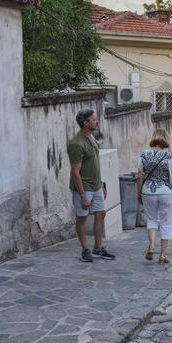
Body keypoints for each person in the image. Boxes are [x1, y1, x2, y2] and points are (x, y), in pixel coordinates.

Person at [67, 109, 115, 263]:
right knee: (82, 218)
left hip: (96, 186)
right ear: (85, 123)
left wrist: (101, 184)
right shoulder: (76, 143)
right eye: (94, 120)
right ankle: (85, 250)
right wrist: (82, 196)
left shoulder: (91, 137)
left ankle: (98, 248)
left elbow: (94, 164)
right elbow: (75, 172)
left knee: (101, 214)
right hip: (84, 187)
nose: (97, 121)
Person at [137, 129, 172, 264]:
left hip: (148, 192)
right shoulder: (170, 157)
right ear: (166, 139)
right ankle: (163, 255)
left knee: (152, 220)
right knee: (166, 223)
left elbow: (139, 177)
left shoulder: (144, 155)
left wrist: (139, 193)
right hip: (166, 193)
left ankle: (152, 246)